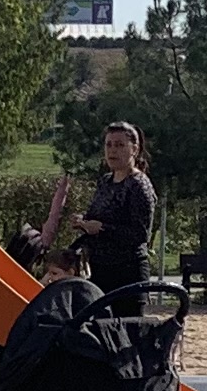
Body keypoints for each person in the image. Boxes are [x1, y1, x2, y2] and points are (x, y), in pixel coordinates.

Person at [17, 122, 157, 294]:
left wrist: (103, 228)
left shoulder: (139, 185)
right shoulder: (105, 181)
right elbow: (97, 217)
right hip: (99, 270)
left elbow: (140, 234)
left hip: (127, 273)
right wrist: (83, 222)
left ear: (134, 149)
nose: (112, 151)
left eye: (120, 145)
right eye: (108, 145)